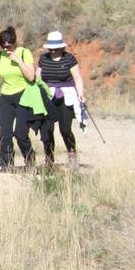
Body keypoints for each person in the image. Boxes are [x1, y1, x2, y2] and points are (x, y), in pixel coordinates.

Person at [0, 27, 45, 171]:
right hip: (6, 97)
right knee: (5, 133)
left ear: (14, 43)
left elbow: (31, 76)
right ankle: (6, 164)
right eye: (3, 46)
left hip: (23, 95)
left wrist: (18, 61)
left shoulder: (24, 53)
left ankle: (30, 160)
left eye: (9, 46)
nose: (7, 49)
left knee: (20, 133)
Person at [38, 31, 86, 169]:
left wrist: (81, 94)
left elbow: (77, 77)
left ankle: (72, 156)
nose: (53, 51)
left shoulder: (69, 58)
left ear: (61, 47)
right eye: (51, 48)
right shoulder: (43, 59)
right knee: (47, 130)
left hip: (66, 96)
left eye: (56, 48)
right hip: (48, 96)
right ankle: (49, 159)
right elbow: (38, 77)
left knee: (65, 129)